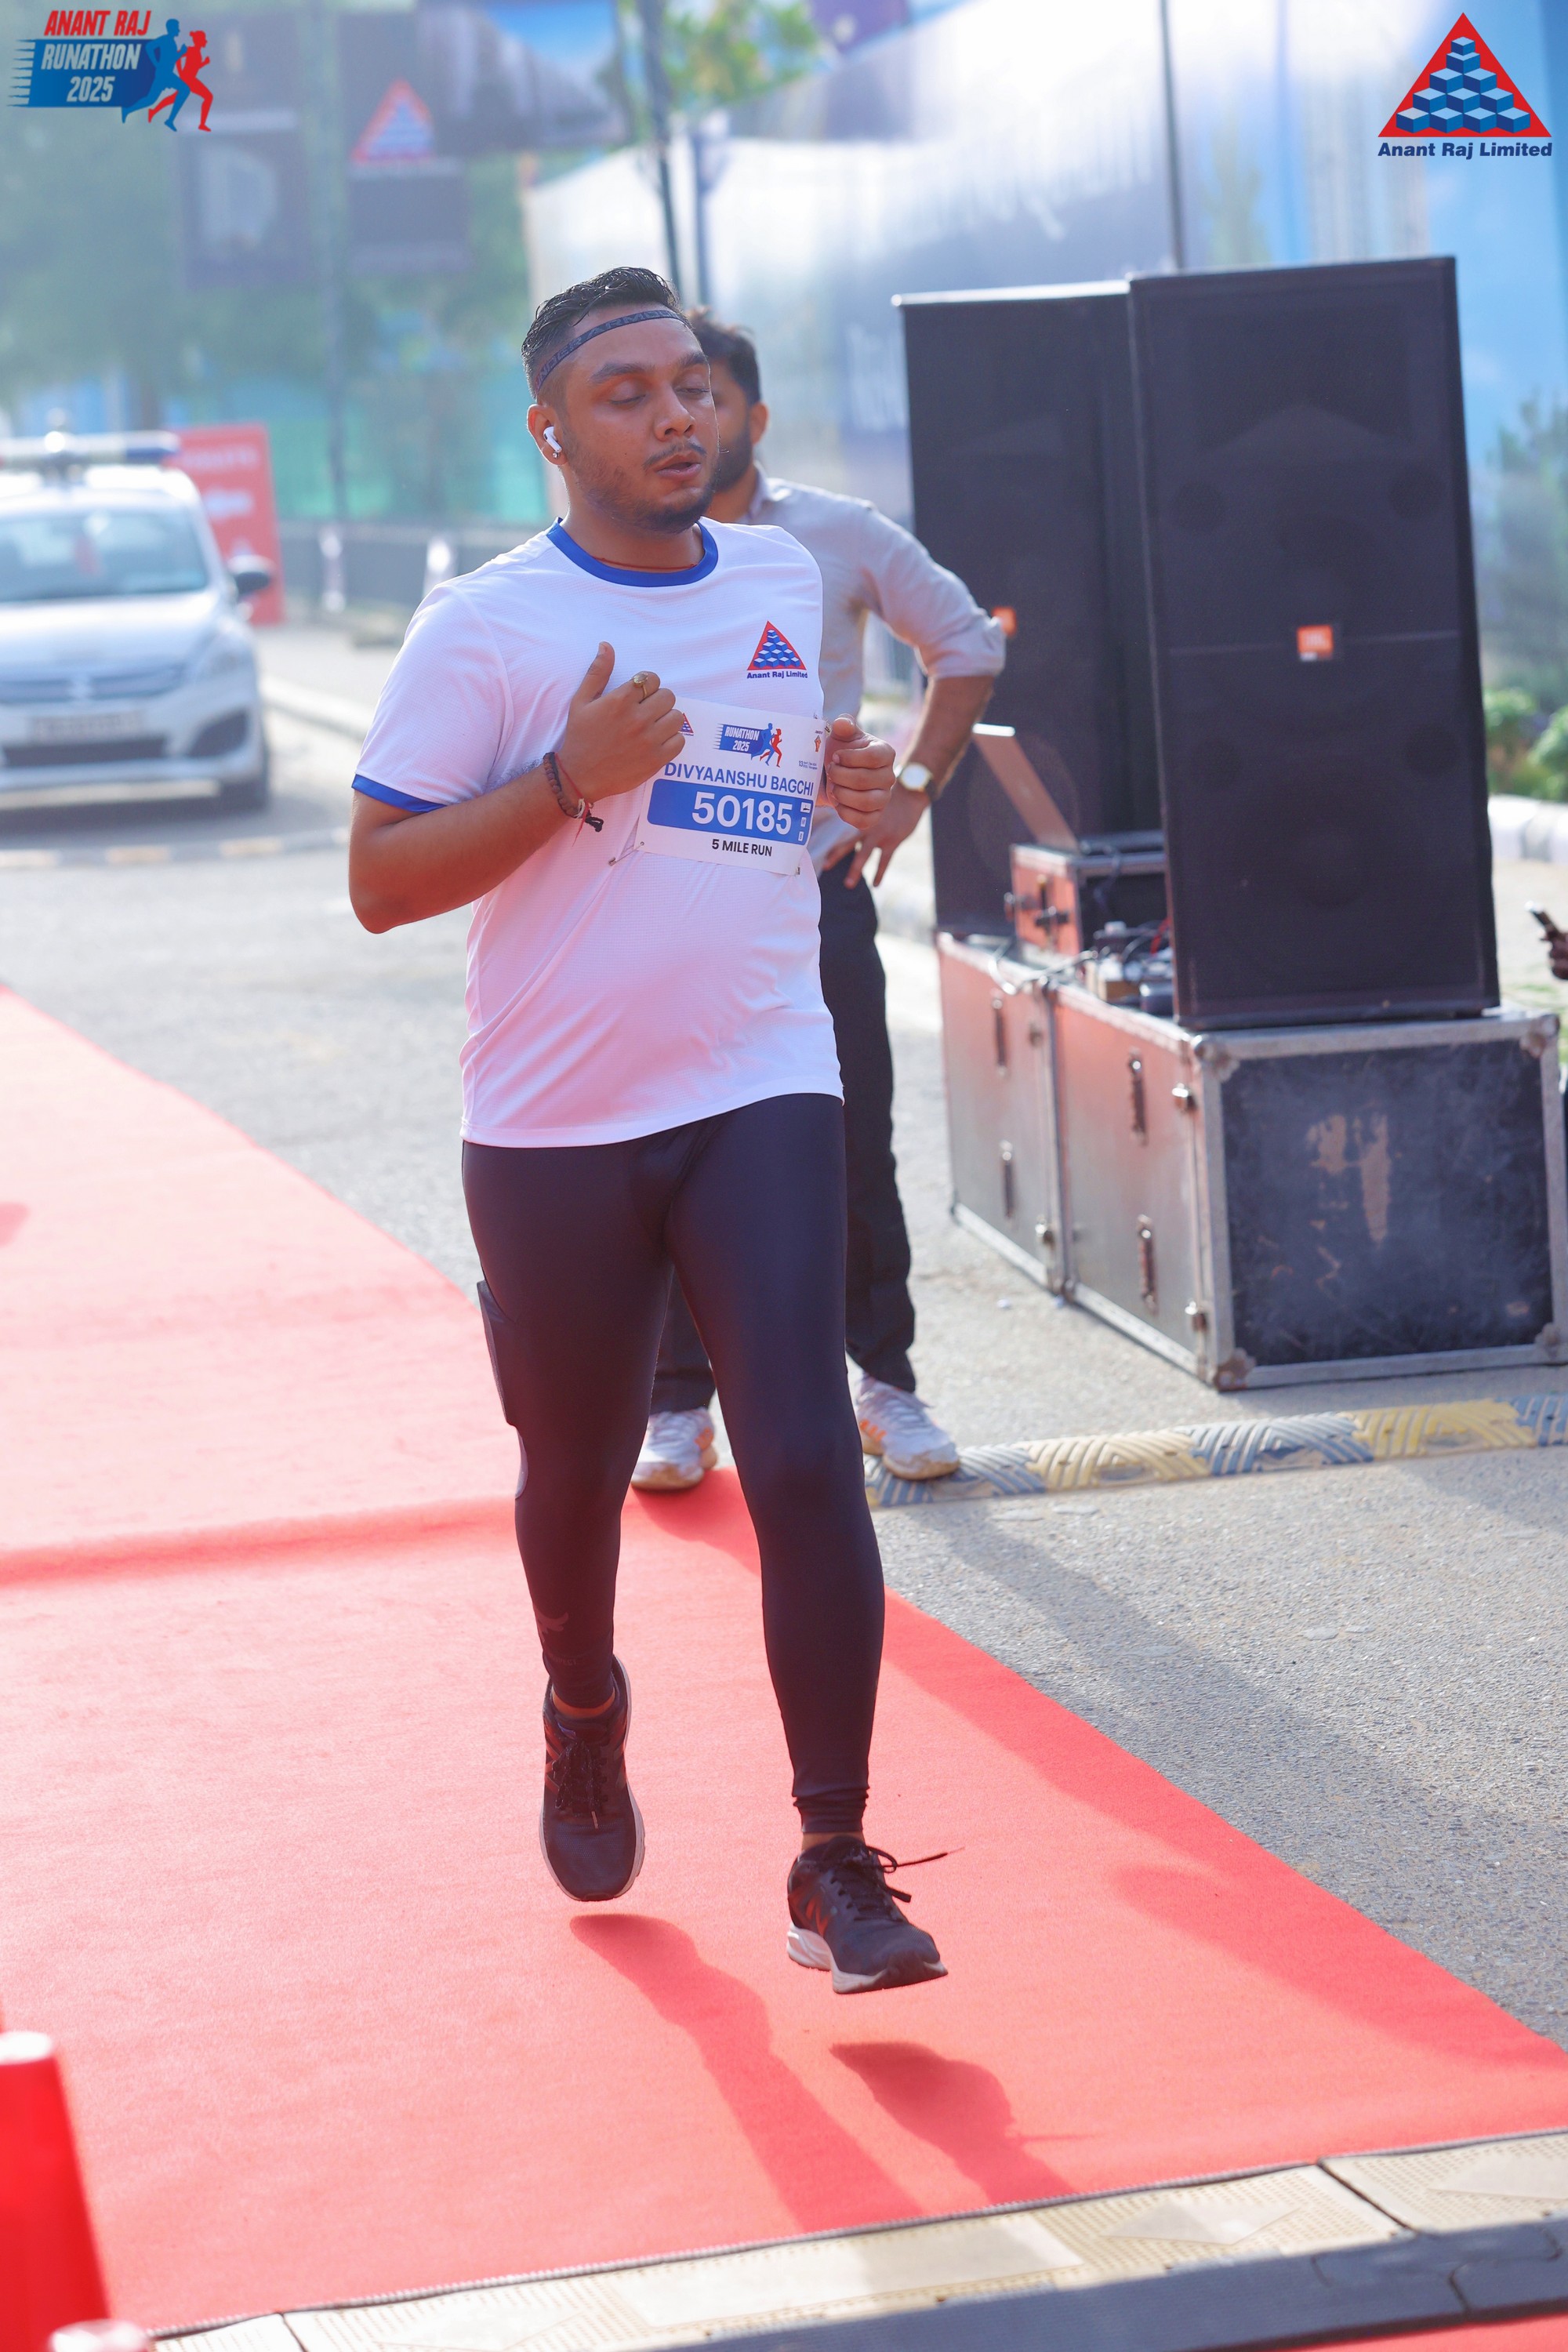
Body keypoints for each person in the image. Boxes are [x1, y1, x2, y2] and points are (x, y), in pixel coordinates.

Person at [347, 266, 946, 1995]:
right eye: (628, 393)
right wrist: (564, 780)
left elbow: (765, 795)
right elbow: (380, 882)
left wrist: (852, 792)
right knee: (575, 1473)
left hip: (761, 1074)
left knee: (804, 1452)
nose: (678, 413)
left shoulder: (774, 576)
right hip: (554, 1119)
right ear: (552, 432)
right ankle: (583, 1705)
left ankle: (833, 1858)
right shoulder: (484, 628)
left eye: (691, 382)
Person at [632, 312, 1005, 1497]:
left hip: (816, 895)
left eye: (704, 395)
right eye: (658, 400)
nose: (684, 421)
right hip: (672, 902)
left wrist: (911, 791)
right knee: (670, 1145)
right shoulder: (624, 548)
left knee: (850, 1142)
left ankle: (886, 1383)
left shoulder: (835, 536)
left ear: (752, 414)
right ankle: (677, 1404)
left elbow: (966, 644)